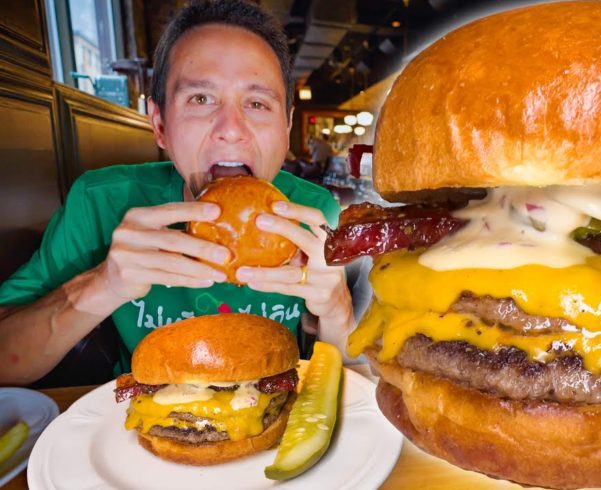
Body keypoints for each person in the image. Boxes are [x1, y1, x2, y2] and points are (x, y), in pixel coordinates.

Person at [0, 0, 354, 385]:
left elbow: (349, 384)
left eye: (257, 103)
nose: (231, 129)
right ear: (160, 124)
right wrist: (104, 283)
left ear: (286, 127)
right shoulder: (100, 202)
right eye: (201, 99)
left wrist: (337, 314)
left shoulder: (313, 211)